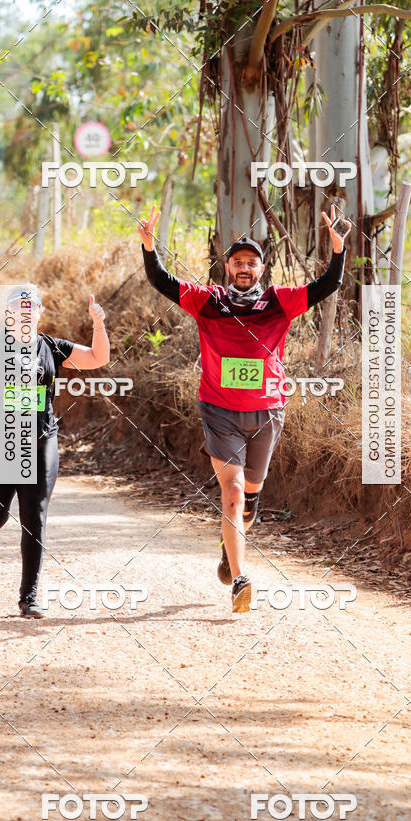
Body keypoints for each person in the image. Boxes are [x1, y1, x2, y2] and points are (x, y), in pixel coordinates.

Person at [138, 207, 349, 613]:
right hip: (219, 411)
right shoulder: (208, 302)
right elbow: (160, 280)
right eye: (237, 262)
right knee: (232, 494)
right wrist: (150, 247)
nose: (244, 268)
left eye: (251, 262)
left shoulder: (279, 302)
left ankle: (228, 550)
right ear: (227, 267)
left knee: (251, 497)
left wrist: (337, 251)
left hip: (268, 412)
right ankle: (240, 579)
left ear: (262, 268)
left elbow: (328, 284)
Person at [0, 285, 110, 618]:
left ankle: (28, 596)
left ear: (41, 312)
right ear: (9, 313)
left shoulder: (50, 346)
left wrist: (98, 324)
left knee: (35, 514)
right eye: (19, 306)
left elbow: (97, 358)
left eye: (32, 306)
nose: (26, 310)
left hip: (41, 437)